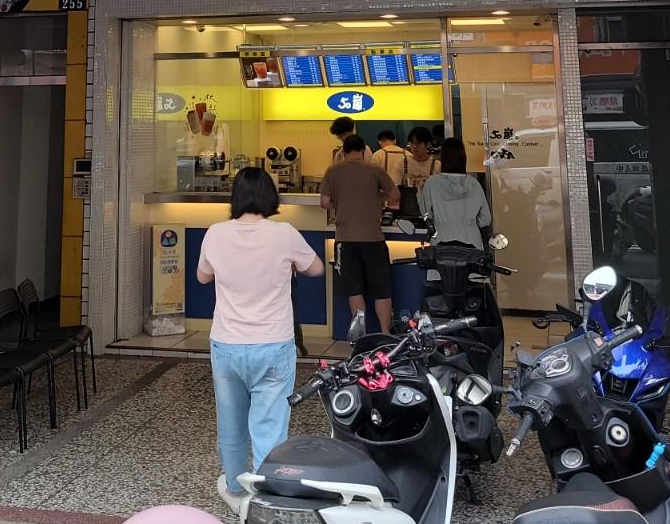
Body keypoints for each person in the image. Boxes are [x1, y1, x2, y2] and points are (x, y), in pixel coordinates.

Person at [197, 167, 324, 514]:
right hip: (273, 344)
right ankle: (267, 497)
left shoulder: (215, 233)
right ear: (270, 196)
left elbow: (203, 276)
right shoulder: (284, 234)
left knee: (231, 422)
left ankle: (236, 489)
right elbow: (316, 268)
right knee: (269, 426)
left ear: (235, 197)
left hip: (227, 343)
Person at [320, 134, 399, 339]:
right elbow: (395, 195)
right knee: (382, 290)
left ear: (343, 151)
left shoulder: (333, 170)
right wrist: (378, 198)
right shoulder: (374, 169)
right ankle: (385, 334)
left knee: (354, 290)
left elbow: (325, 202)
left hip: (345, 239)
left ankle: (361, 337)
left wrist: (341, 202)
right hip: (373, 238)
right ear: (363, 151)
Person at [417, 138, 492, 248]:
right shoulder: (473, 184)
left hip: (441, 241)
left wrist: (419, 191)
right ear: (463, 158)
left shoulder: (432, 183)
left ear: (442, 158)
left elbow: (426, 214)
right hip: (471, 242)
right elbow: (485, 219)